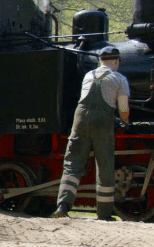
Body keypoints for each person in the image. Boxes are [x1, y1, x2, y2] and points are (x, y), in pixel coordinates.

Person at [54, 47, 131, 220]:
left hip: (80, 119)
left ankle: (63, 205)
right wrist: (125, 122)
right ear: (116, 61)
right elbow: (124, 109)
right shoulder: (119, 78)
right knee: (105, 166)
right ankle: (104, 213)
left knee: (72, 163)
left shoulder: (88, 75)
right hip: (102, 122)